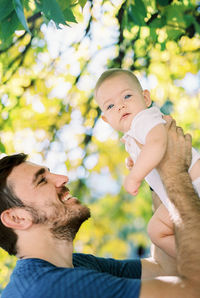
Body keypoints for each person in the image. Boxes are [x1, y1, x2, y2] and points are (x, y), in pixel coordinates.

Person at [1, 118, 200, 297]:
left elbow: (165, 268)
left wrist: (154, 175)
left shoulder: (75, 266)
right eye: (42, 181)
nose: (63, 178)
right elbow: (193, 290)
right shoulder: (49, 288)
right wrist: (174, 173)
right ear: (17, 218)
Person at [94, 68, 200, 257]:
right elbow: (152, 152)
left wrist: (135, 176)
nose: (120, 106)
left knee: (157, 231)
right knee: (156, 231)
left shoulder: (143, 119)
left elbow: (157, 143)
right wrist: (137, 161)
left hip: (194, 181)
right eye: (110, 106)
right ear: (106, 120)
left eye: (127, 96)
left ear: (145, 98)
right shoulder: (133, 134)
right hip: (180, 192)